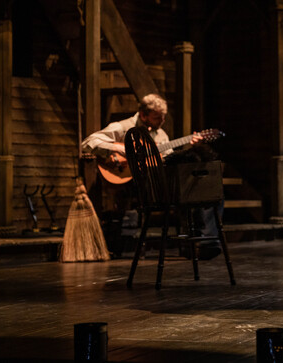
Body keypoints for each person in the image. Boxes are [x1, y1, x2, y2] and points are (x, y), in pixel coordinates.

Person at [81, 94, 220, 259]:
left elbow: (168, 159)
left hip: (157, 183)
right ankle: (202, 240)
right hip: (136, 186)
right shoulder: (123, 127)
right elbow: (88, 142)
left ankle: (205, 242)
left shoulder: (161, 135)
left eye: (163, 117)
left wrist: (190, 146)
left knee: (206, 190)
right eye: (157, 118)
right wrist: (118, 149)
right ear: (143, 115)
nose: (161, 122)